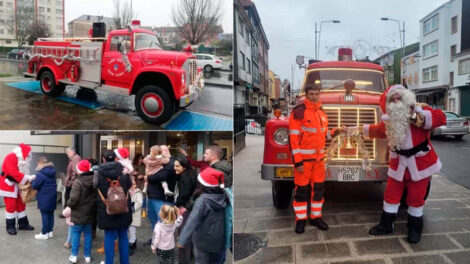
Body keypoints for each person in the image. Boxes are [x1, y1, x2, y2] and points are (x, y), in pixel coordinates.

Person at [354, 84, 446, 243]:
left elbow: (441, 118)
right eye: (393, 99)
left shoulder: (420, 112)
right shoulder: (389, 122)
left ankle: (415, 229)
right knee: (390, 196)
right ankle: (386, 225)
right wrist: (356, 129)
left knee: (416, 199)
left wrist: (422, 117)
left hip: (420, 164)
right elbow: (376, 130)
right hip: (399, 165)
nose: (396, 101)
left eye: (399, 97)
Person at [288, 85, 342, 234]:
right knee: (301, 191)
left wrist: (335, 132)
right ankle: (300, 220)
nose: (314, 96)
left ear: (319, 95)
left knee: (318, 191)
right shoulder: (299, 112)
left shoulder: (322, 113)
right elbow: (293, 139)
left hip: (319, 161)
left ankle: (316, 217)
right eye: (311, 94)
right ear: (306, 95)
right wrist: (297, 161)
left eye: (316, 94)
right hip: (304, 162)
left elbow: (324, 135)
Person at [177, 166, 227, 264]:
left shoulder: (202, 200)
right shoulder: (223, 195)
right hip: (219, 240)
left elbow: (193, 220)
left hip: (203, 241)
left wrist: (182, 240)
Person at [96, 150, 132, 264]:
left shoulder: (98, 172)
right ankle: (125, 262)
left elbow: (94, 186)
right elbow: (130, 185)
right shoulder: (124, 171)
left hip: (107, 209)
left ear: (104, 159)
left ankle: (109, 262)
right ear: (116, 159)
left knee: (109, 236)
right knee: (123, 236)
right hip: (123, 208)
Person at [145, 145, 177, 246]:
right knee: (153, 219)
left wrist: (148, 177)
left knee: (163, 221)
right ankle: (156, 238)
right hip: (153, 195)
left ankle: (164, 244)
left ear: (165, 151)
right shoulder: (159, 161)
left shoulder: (171, 162)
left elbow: (163, 175)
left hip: (162, 198)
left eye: (159, 151)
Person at [0, 143, 35, 235]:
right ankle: (10, 226)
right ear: (22, 153)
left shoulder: (21, 160)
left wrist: (27, 179)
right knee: (11, 206)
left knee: (21, 204)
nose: (28, 157)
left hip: (18, 185)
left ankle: (23, 224)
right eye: (27, 155)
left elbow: (21, 174)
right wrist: (28, 178)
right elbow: (13, 173)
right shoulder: (11, 157)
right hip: (8, 185)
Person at [67, 160, 97, 264]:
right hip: (90, 212)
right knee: (88, 234)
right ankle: (87, 256)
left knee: (76, 233)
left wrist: (68, 205)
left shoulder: (78, 181)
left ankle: (74, 255)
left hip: (78, 213)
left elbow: (74, 198)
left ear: (80, 170)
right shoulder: (95, 179)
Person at [173, 157, 197, 264]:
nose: (175, 168)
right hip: (188, 207)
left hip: (185, 207)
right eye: (174, 165)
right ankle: (189, 255)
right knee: (187, 231)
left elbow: (185, 194)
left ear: (184, 167)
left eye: (177, 166)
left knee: (184, 233)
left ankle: (183, 260)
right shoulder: (188, 174)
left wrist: (177, 205)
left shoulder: (186, 178)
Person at [31, 156, 57, 240]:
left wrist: (32, 181)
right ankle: (50, 232)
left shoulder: (40, 173)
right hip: (52, 196)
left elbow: (35, 186)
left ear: (40, 163)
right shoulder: (52, 171)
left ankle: (44, 233)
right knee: (50, 214)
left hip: (44, 196)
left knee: (45, 215)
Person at [64, 147, 81, 248]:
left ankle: (70, 241)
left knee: (71, 215)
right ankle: (72, 241)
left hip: (72, 188)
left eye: (68, 152)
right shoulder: (73, 158)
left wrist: (70, 183)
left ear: (73, 151)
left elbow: (75, 172)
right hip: (72, 187)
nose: (67, 154)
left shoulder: (76, 158)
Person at [128, 176, 143, 256]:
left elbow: (140, 203)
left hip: (134, 215)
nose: (132, 186)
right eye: (131, 184)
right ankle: (132, 242)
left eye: (134, 184)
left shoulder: (138, 192)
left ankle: (131, 246)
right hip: (128, 215)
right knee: (128, 230)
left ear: (136, 185)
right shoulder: (127, 191)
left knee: (132, 231)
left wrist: (133, 208)